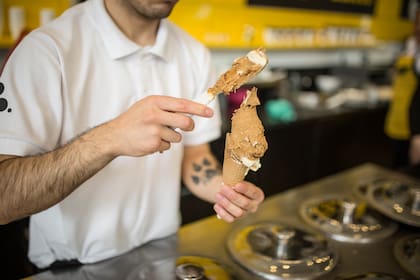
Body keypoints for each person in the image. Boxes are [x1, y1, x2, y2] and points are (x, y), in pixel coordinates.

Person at [0, 0, 265, 270]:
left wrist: (226, 192)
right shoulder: (47, 49)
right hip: (75, 266)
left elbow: (195, 157)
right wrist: (110, 138)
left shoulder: (194, 53)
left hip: (161, 252)